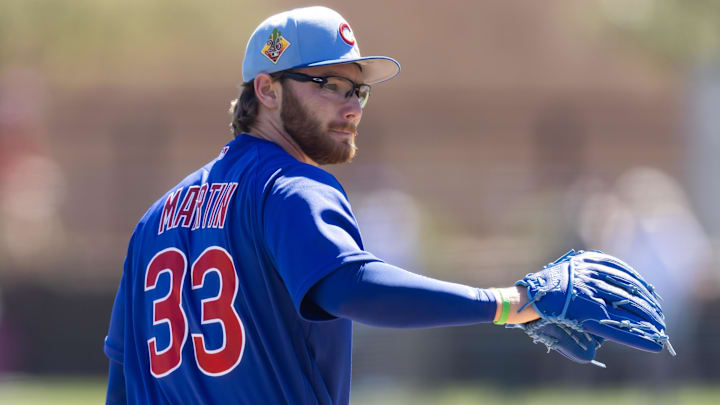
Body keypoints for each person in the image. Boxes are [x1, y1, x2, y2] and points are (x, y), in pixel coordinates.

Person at [105, 6, 597, 404]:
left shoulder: (155, 220)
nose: (353, 106)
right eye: (330, 85)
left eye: (358, 90)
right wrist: (508, 304)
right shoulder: (291, 186)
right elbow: (348, 284)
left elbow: (124, 382)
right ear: (267, 89)